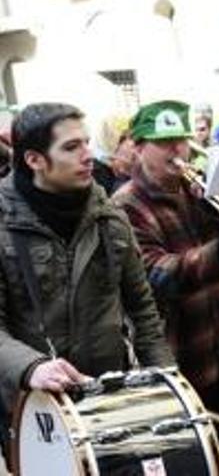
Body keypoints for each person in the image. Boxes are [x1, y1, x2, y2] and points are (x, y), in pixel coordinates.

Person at [0, 102, 173, 444]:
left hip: (109, 399)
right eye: (71, 147)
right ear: (34, 160)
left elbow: (142, 310)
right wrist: (31, 367)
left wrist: (168, 382)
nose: (88, 155)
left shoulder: (110, 215)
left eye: (87, 142)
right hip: (35, 409)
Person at [112, 100, 219, 475]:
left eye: (179, 140)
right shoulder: (125, 204)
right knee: (200, 465)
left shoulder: (199, 189)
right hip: (185, 361)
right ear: (138, 145)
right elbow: (157, 275)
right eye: (163, 142)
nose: (176, 150)